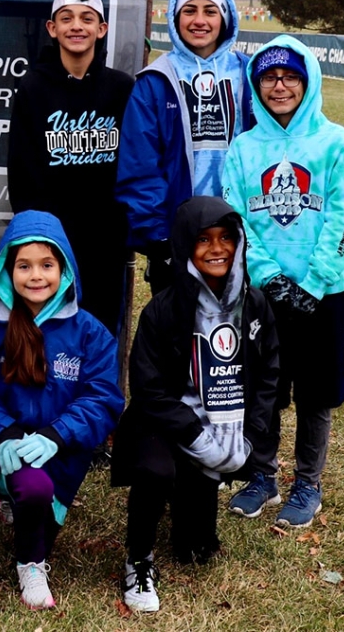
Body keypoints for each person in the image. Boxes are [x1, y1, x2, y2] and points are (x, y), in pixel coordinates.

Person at [111, 196, 278, 612]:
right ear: (186, 244)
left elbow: (270, 372)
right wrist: (194, 434)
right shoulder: (164, 308)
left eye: (226, 238)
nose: (217, 248)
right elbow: (148, 387)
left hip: (227, 424)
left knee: (195, 550)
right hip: (167, 423)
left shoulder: (254, 304)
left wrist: (251, 437)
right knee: (155, 470)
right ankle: (138, 558)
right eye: (204, 239)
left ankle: (193, 497)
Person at [222, 36, 344, 528]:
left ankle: (308, 482)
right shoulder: (243, 148)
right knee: (264, 386)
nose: (279, 86)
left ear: (307, 82)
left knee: (316, 392)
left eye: (290, 77)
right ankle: (262, 474)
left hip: (323, 293)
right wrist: (268, 277)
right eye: (269, 78)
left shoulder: (335, 142)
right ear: (256, 86)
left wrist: (317, 281)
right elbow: (235, 217)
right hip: (265, 294)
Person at [0, 210, 124, 610]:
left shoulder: (90, 331)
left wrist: (57, 435)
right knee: (33, 492)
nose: (36, 276)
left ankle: (23, 507)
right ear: (7, 269)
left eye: (47, 265)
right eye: (24, 266)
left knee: (43, 514)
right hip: (6, 445)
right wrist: (3, 431)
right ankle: (30, 566)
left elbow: (102, 396)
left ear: (65, 270)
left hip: (62, 450)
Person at [7, 0, 134, 337]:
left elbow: (135, 166)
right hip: (52, 243)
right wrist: (36, 237)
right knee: (47, 334)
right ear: (52, 29)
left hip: (105, 244)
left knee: (101, 333)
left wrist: (124, 226)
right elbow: (21, 172)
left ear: (101, 29)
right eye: (66, 19)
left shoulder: (122, 88)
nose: (76, 27)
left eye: (86, 19)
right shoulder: (32, 87)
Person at [116, 0, 251, 294]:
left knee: (237, 333)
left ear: (226, 18)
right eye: (189, 10)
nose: (199, 21)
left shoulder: (249, 74)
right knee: (177, 336)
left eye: (210, 11)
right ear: (175, 18)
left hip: (242, 230)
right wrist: (159, 237)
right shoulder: (155, 81)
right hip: (178, 235)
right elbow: (140, 166)